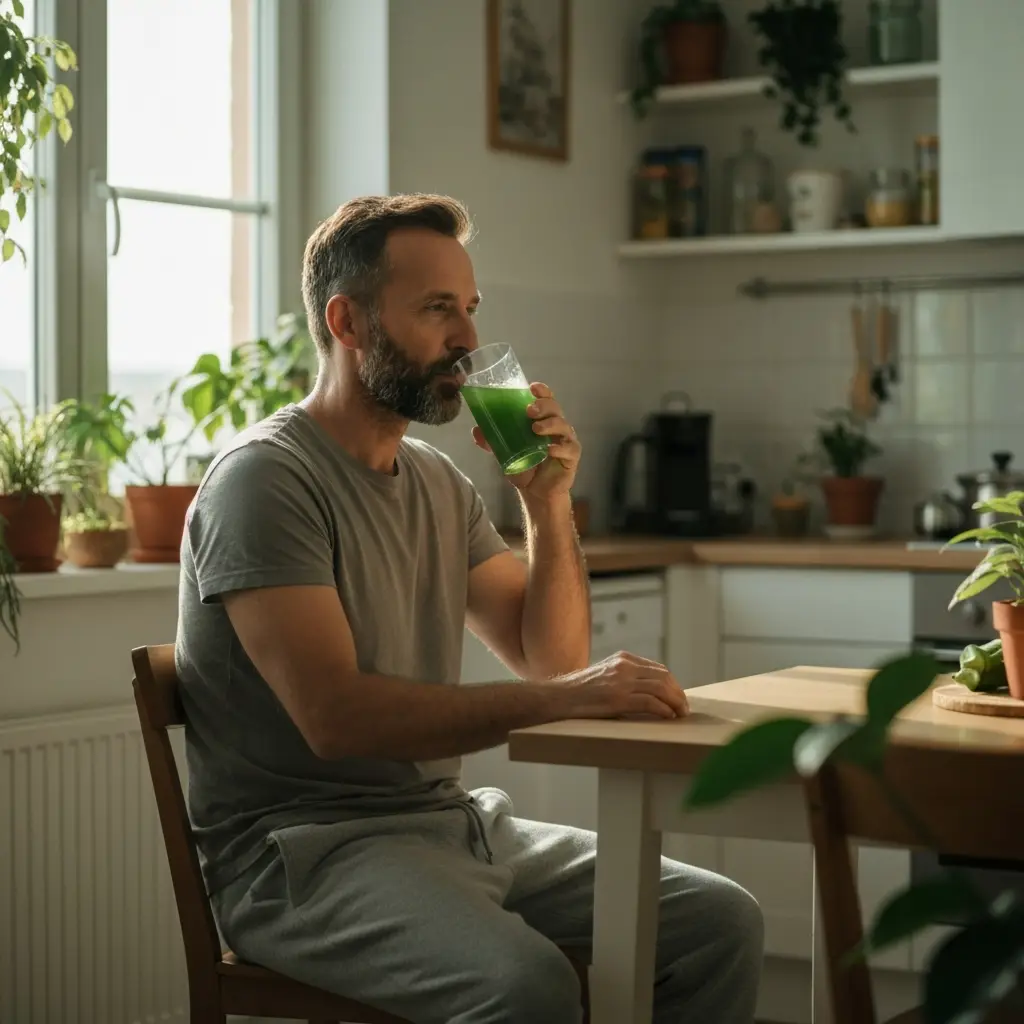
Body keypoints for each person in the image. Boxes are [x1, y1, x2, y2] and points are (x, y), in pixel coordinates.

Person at [175, 193, 763, 1024]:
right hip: (302, 861)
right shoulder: (265, 481)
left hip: (449, 827)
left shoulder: (435, 481)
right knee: (527, 986)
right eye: (436, 310)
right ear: (348, 323)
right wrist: (570, 698)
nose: (467, 341)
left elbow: (551, 659)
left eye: (470, 309)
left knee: (719, 924)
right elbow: (337, 717)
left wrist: (547, 503)